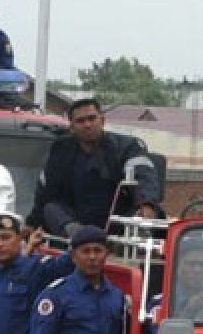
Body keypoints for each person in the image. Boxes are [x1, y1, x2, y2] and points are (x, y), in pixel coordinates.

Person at [27, 98, 161, 236]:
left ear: (102, 121)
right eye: (80, 121)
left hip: (117, 220)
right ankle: (82, 238)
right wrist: (31, 224)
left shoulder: (127, 146)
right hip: (76, 221)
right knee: (51, 209)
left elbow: (144, 175)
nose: (87, 124)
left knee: (146, 213)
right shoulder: (60, 150)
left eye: (92, 118)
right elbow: (45, 191)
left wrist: (147, 203)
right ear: (71, 127)